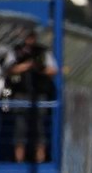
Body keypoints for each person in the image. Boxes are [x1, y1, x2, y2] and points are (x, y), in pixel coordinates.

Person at [3, 27, 57, 164]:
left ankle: (40, 157)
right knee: (19, 128)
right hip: (21, 94)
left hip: (38, 95)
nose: (30, 39)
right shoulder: (15, 51)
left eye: (32, 36)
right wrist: (26, 66)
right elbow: (9, 69)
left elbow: (53, 70)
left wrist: (40, 68)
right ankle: (18, 159)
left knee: (39, 129)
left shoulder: (43, 52)